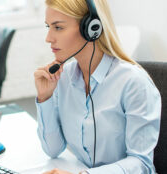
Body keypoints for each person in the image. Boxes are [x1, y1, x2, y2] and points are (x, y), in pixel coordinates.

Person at [34, 0, 161, 174]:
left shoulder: (133, 83)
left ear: (91, 28)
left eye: (58, 27)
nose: (48, 38)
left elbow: (142, 164)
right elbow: (53, 149)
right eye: (48, 27)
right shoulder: (62, 78)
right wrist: (45, 97)